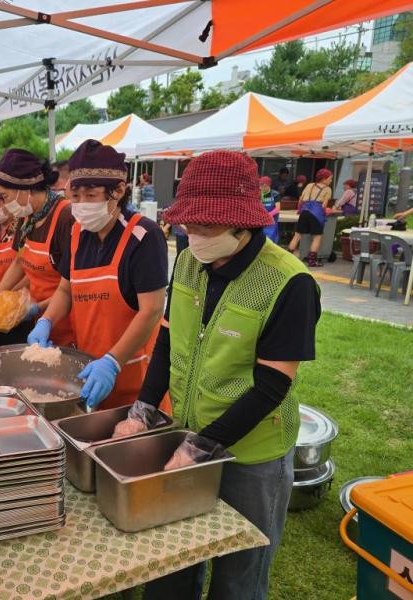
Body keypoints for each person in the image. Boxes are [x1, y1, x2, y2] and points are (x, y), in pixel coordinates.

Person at [112, 150, 320, 600]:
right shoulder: (189, 259)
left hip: (253, 453)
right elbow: (168, 339)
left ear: (243, 224)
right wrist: (144, 407)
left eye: (207, 228)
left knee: (239, 574)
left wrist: (205, 444)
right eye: (190, 226)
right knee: (171, 557)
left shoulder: (290, 283)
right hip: (189, 429)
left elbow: (272, 384)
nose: (195, 236)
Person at [29, 140, 168, 410]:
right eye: (75, 196)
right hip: (88, 368)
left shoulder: (144, 236)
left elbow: (151, 310)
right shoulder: (77, 233)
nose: (80, 205)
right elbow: (66, 290)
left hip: (133, 376)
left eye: (90, 196)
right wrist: (46, 320)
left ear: (117, 191)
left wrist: (113, 362)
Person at [0, 149, 76, 345]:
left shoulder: (65, 217)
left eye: (5, 196)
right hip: (40, 324)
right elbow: (19, 262)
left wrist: (38, 309)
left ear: (24, 187)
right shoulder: (26, 218)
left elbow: (71, 287)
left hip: (66, 321)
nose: (4, 204)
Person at [288, 168, 333, 267]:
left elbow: (301, 199)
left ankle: (287, 257)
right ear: (324, 179)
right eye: (330, 178)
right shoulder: (327, 189)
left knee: (297, 235)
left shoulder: (309, 185)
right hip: (316, 214)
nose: (331, 181)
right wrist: (329, 211)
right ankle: (312, 261)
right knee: (317, 237)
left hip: (304, 212)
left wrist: (300, 210)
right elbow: (324, 206)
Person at [259, 175, 281, 243]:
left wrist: (268, 215)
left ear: (269, 185)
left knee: (270, 239)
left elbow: (277, 209)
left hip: (272, 221)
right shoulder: (258, 194)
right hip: (261, 221)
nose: (262, 187)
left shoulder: (275, 194)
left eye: (264, 185)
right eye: (260, 185)